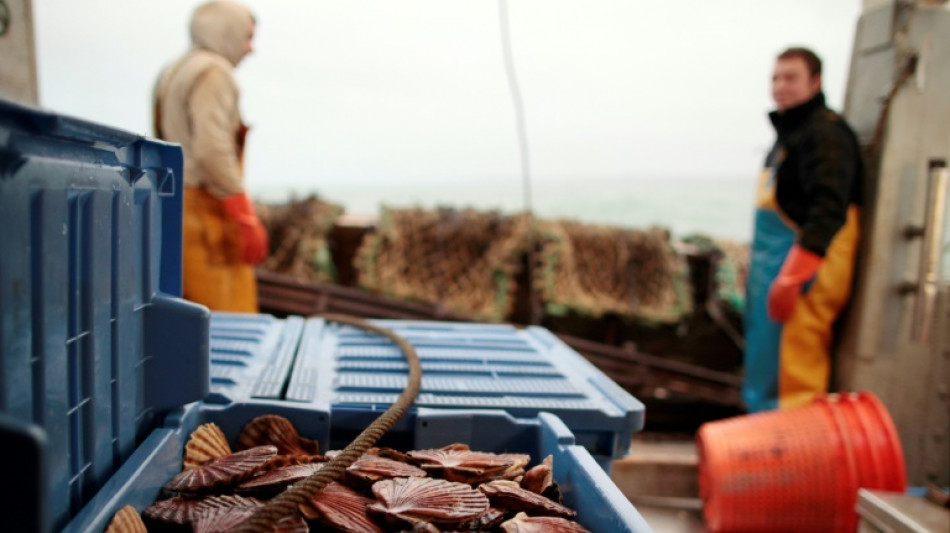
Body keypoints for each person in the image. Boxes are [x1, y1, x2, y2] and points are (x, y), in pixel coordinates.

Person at [743, 47, 863, 412]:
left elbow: (829, 209)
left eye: (791, 77)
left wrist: (792, 278)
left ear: (816, 81)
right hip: (771, 271)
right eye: (775, 77)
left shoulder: (825, 134)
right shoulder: (789, 134)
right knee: (765, 370)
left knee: (793, 375)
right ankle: (762, 452)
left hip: (801, 277)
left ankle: (795, 460)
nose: (780, 86)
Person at [153, 0, 268, 312]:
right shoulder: (215, 72)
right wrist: (244, 215)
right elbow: (212, 150)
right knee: (229, 320)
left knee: (188, 314)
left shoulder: (175, 69)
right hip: (208, 217)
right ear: (226, 32)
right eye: (247, 37)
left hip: (178, 206)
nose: (250, 49)